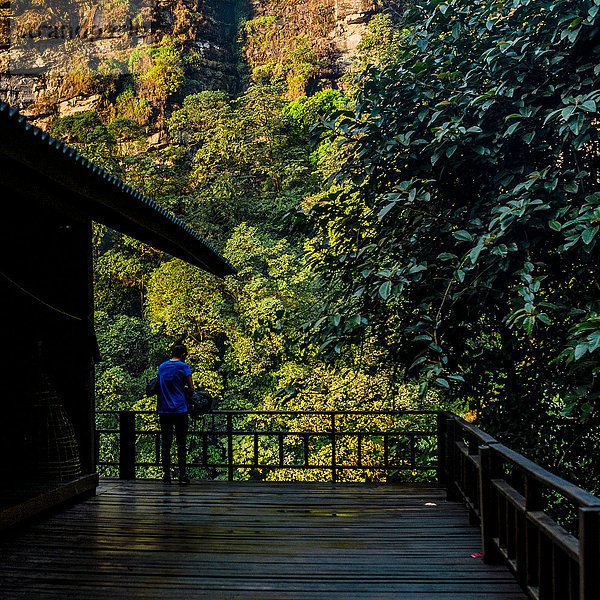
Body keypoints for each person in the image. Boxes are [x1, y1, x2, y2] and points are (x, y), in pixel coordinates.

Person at [157, 339, 194, 484]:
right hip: (180, 410)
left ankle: (166, 475)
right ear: (183, 354)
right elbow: (191, 389)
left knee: (166, 444)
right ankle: (182, 475)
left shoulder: (162, 366)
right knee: (181, 443)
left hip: (164, 410)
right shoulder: (184, 367)